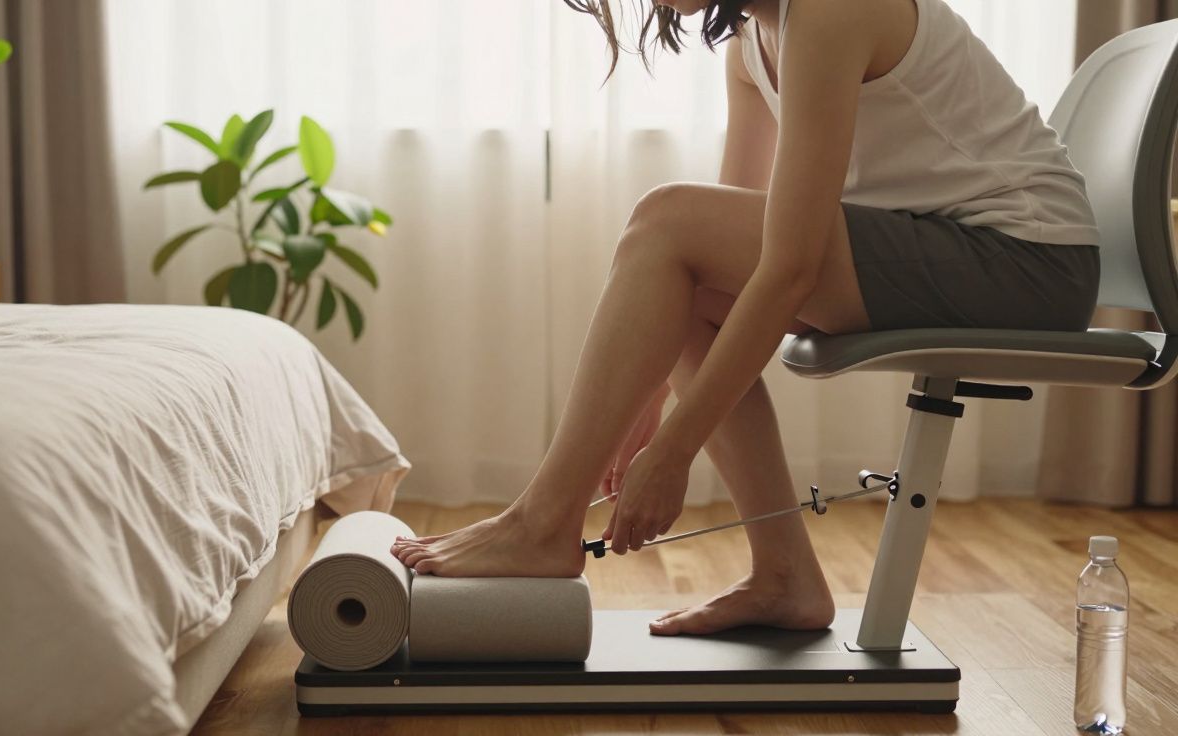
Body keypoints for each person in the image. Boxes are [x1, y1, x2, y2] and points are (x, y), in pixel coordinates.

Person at [391, 0, 1100, 637]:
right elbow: (726, 256)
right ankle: (784, 573)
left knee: (665, 218)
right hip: (960, 250)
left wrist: (674, 449)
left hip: (1027, 263)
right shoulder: (751, 43)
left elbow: (787, 269)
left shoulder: (829, 11)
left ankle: (544, 522)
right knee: (679, 259)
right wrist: (649, 394)